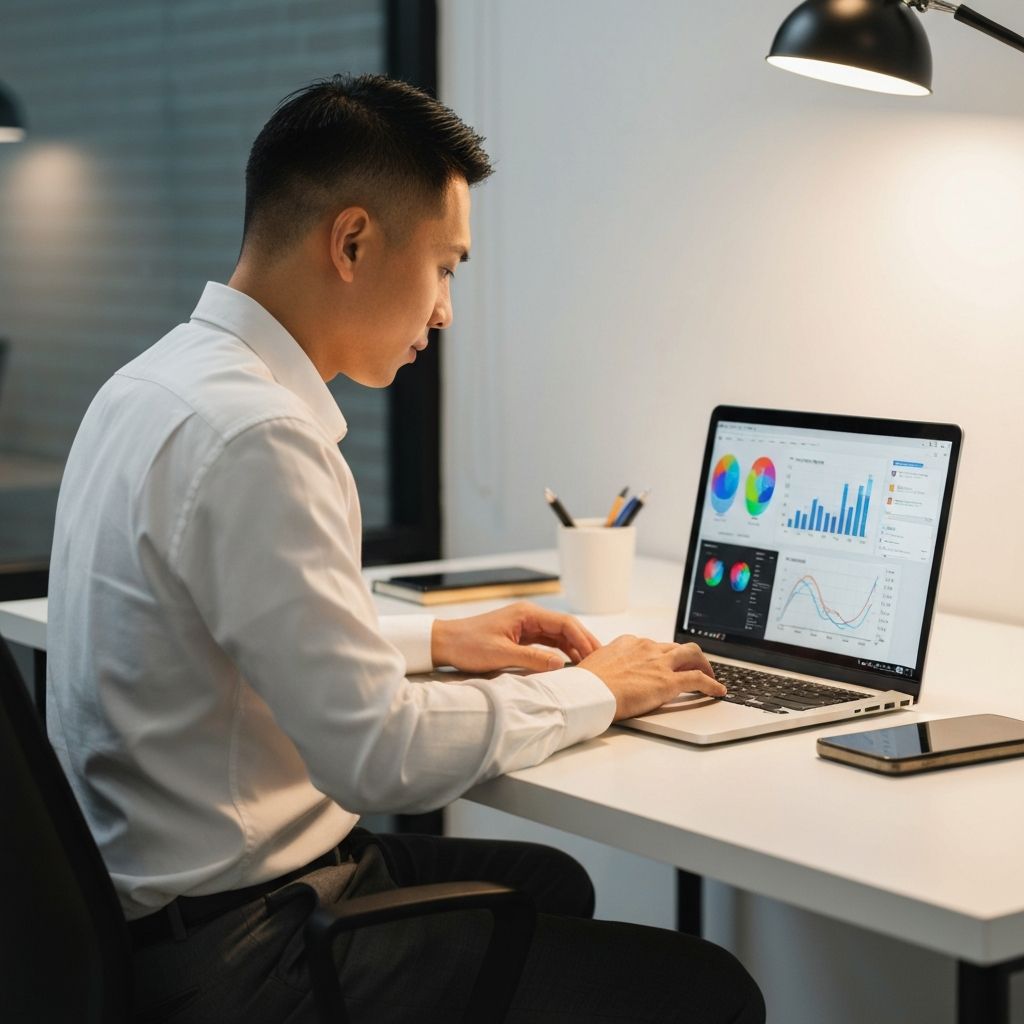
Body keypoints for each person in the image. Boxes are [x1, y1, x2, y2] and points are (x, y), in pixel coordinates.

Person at [46, 73, 764, 1023]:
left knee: (544, 885)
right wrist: (599, 686)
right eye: (447, 267)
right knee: (704, 991)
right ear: (352, 241)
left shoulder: (152, 384)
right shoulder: (258, 435)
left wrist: (435, 643)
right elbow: (376, 757)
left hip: (147, 916)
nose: (445, 312)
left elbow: (219, 645)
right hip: (247, 956)